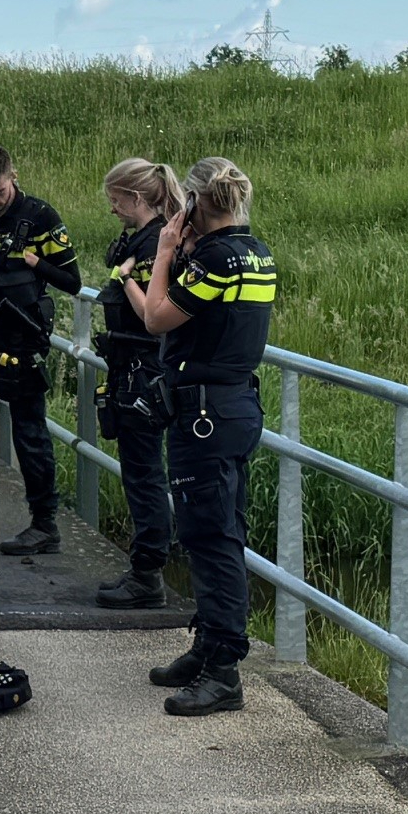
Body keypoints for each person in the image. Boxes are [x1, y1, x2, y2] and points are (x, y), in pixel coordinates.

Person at [122, 156, 276, 716]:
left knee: (211, 540)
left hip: (205, 415)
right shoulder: (256, 252)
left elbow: (157, 318)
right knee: (217, 529)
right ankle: (209, 644)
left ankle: (224, 670)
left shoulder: (214, 260)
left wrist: (165, 250)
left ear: (191, 205)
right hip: (233, 407)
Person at [0, 145, 79, 556]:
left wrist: (35, 264)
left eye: (0, 192)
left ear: (14, 177)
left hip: (21, 339)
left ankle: (44, 525)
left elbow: (72, 281)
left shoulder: (42, 217)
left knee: (29, 432)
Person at [89, 158, 183, 609]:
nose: (113, 210)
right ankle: (145, 567)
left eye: (115, 201)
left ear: (136, 198)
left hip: (143, 371)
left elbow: (154, 318)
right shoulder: (145, 240)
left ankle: (148, 573)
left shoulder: (155, 245)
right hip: (131, 369)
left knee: (145, 474)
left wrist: (124, 279)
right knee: (138, 471)